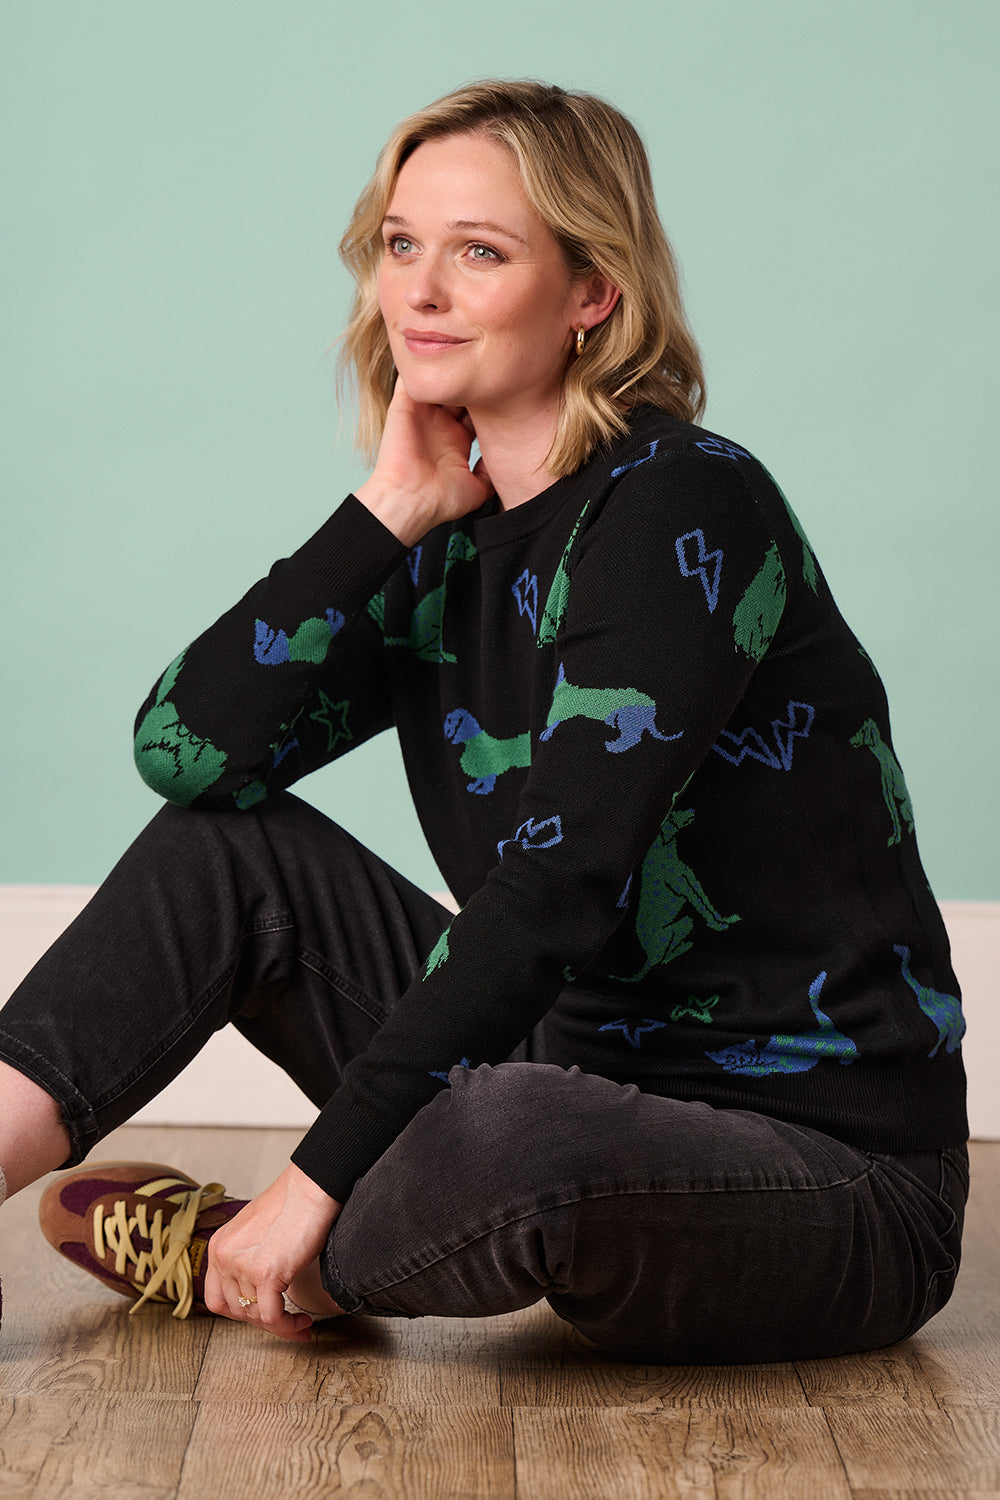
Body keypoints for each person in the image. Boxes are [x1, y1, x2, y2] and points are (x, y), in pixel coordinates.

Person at [0, 80, 968, 1364]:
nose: (419, 291)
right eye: (401, 243)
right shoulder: (441, 544)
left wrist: (314, 1175)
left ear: (592, 293)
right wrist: (383, 514)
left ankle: (265, 1253)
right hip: (567, 1061)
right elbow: (185, 754)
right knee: (224, 853)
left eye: (480, 253)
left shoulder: (683, 502)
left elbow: (556, 889)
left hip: (828, 1172)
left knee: (513, 1126)